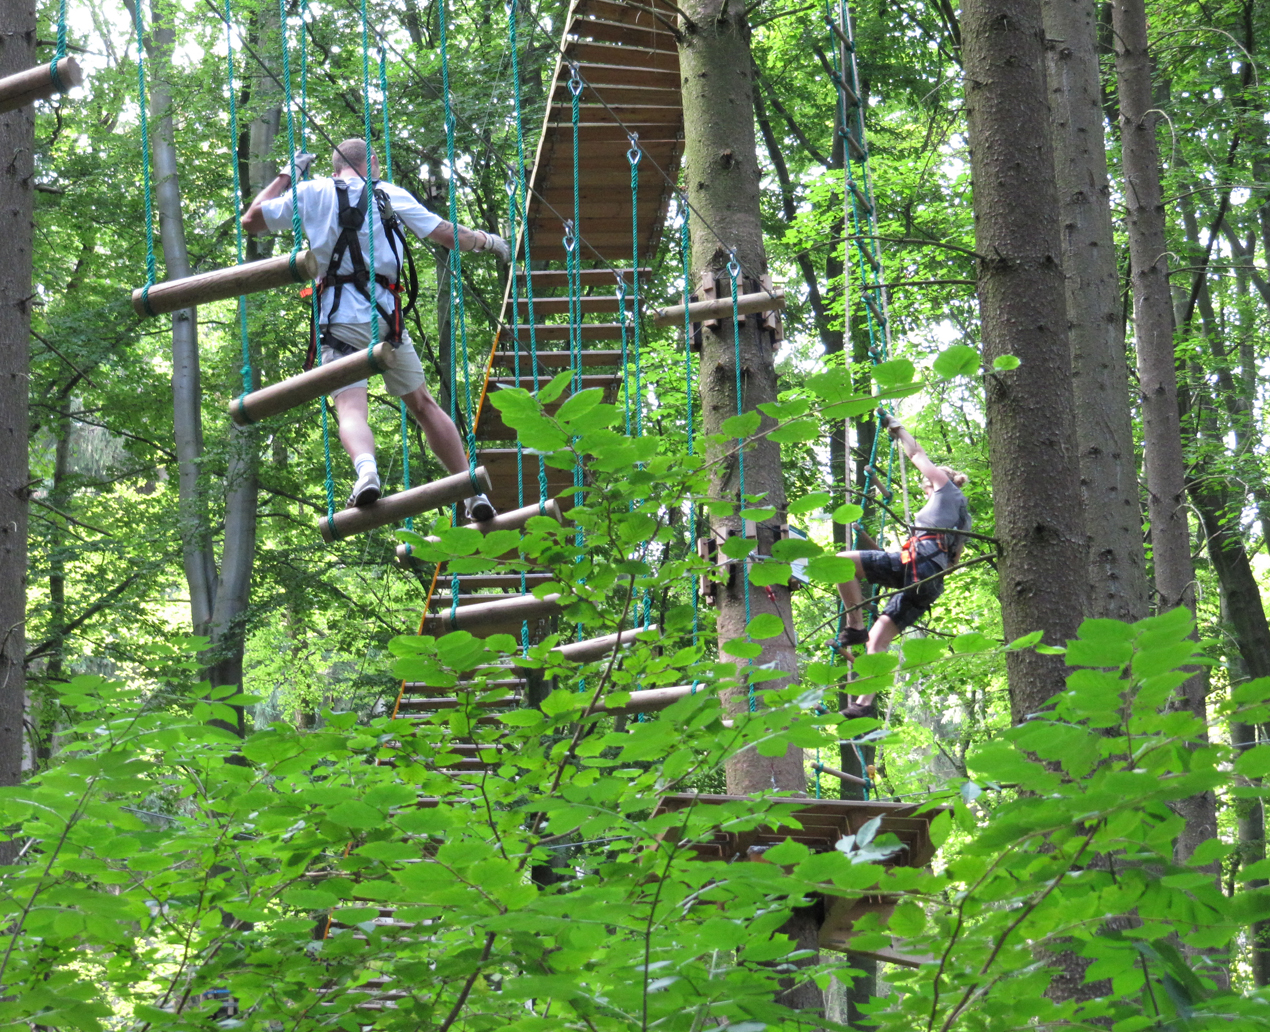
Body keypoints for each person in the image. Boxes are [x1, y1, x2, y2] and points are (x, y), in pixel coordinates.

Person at [242, 138, 508, 518]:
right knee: (423, 405)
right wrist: (491, 241)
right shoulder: (388, 193)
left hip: (337, 319)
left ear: (335, 169)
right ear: (374, 166)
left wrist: (289, 173)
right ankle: (471, 492)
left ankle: (366, 470)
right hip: (385, 319)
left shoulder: (311, 192)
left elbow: (251, 220)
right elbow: (450, 235)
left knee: (351, 406)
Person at [833, 412, 972, 716]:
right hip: (930, 583)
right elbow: (954, 559)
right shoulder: (964, 517)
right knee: (878, 640)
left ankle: (854, 626)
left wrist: (897, 427)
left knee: (841, 563)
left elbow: (916, 453)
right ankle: (865, 705)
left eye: (927, 487)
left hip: (918, 566)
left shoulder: (946, 489)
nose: (926, 489)